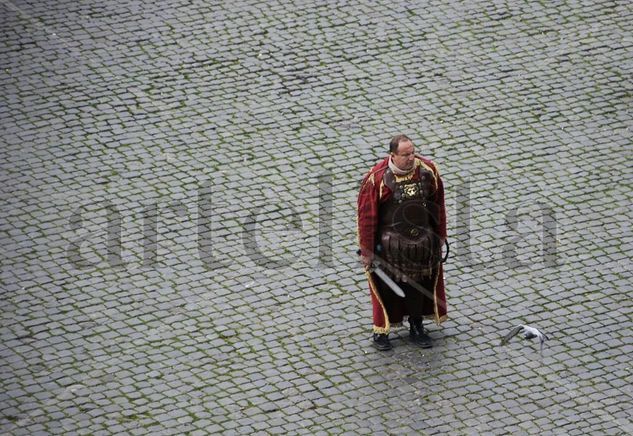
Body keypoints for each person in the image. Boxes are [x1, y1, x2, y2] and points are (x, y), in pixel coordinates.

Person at [357, 134, 448, 350]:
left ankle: (417, 326)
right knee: (387, 288)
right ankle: (381, 332)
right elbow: (367, 217)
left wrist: (440, 234)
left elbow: (438, 204)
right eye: (405, 155)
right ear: (393, 155)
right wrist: (368, 251)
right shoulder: (376, 179)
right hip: (389, 246)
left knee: (419, 286)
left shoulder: (428, 170)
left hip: (422, 244)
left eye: (413, 152)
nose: (411, 158)